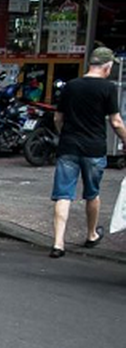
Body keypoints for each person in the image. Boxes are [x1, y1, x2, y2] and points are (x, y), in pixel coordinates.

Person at [50, 46, 126, 257]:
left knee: (63, 195)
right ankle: (91, 234)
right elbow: (116, 121)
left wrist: (63, 134)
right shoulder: (107, 88)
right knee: (92, 193)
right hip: (94, 148)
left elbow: (58, 118)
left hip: (68, 147)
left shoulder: (71, 86)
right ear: (107, 67)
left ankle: (58, 243)